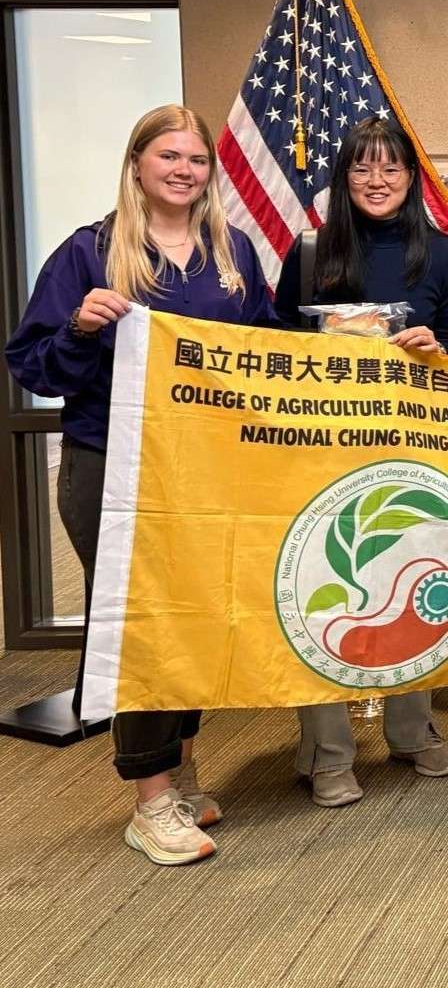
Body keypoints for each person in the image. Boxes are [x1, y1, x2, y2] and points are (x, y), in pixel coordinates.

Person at [5, 104, 274, 864]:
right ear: (138, 165)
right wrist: (79, 327)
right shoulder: (87, 254)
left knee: (193, 616)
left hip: (204, 467)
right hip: (110, 466)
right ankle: (149, 799)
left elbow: (266, 349)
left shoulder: (233, 253)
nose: (185, 170)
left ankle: (182, 768)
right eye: (170, 157)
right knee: (140, 624)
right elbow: (31, 364)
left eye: (197, 160)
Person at [275, 116, 448, 808]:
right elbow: (275, 353)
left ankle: (413, 729)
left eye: (390, 168)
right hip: (323, 451)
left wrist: (434, 350)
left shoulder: (442, 255)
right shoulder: (307, 253)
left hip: (412, 446)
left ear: (412, 179)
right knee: (319, 589)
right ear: (343, 177)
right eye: (362, 168)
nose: (377, 180)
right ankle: (326, 750)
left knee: (415, 576)